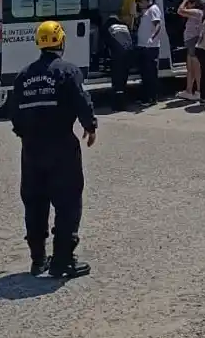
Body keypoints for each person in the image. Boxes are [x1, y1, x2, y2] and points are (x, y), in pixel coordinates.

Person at [8, 20, 97, 278]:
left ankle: (38, 260)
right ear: (61, 42)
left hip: (32, 149)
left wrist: (25, 134)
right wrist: (90, 126)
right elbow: (82, 100)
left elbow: (14, 112)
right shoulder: (67, 71)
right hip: (62, 147)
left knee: (35, 202)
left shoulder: (23, 76)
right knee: (67, 202)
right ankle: (63, 260)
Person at [133, 0, 162, 106]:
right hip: (143, 45)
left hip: (151, 46)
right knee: (144, 73)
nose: (139, 5)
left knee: (150, 73)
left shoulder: (153, 9)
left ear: (145, 1)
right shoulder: (145, 11)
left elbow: (158, 25)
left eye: (140, 3)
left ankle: (152, 98)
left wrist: (152, 37)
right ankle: (145, 97)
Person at [103, 15, 132, 111]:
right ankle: (124, 103)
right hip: (128, 56)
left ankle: (117, 105)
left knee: (116, 82)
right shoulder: (124, 27)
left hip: (117, 57)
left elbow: (107, 43)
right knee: (123, 81)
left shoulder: (110, 28)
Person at [177, 0, 204, 101]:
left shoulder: (197, 12)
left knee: (196, 69)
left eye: (189, 3)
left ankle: (199, 91)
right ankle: (189, 91)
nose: (187, 5)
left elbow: (180, 10)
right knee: (190, 69)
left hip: (194, 41)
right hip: (190, 42)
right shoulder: (194, 13)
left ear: (194, 3)